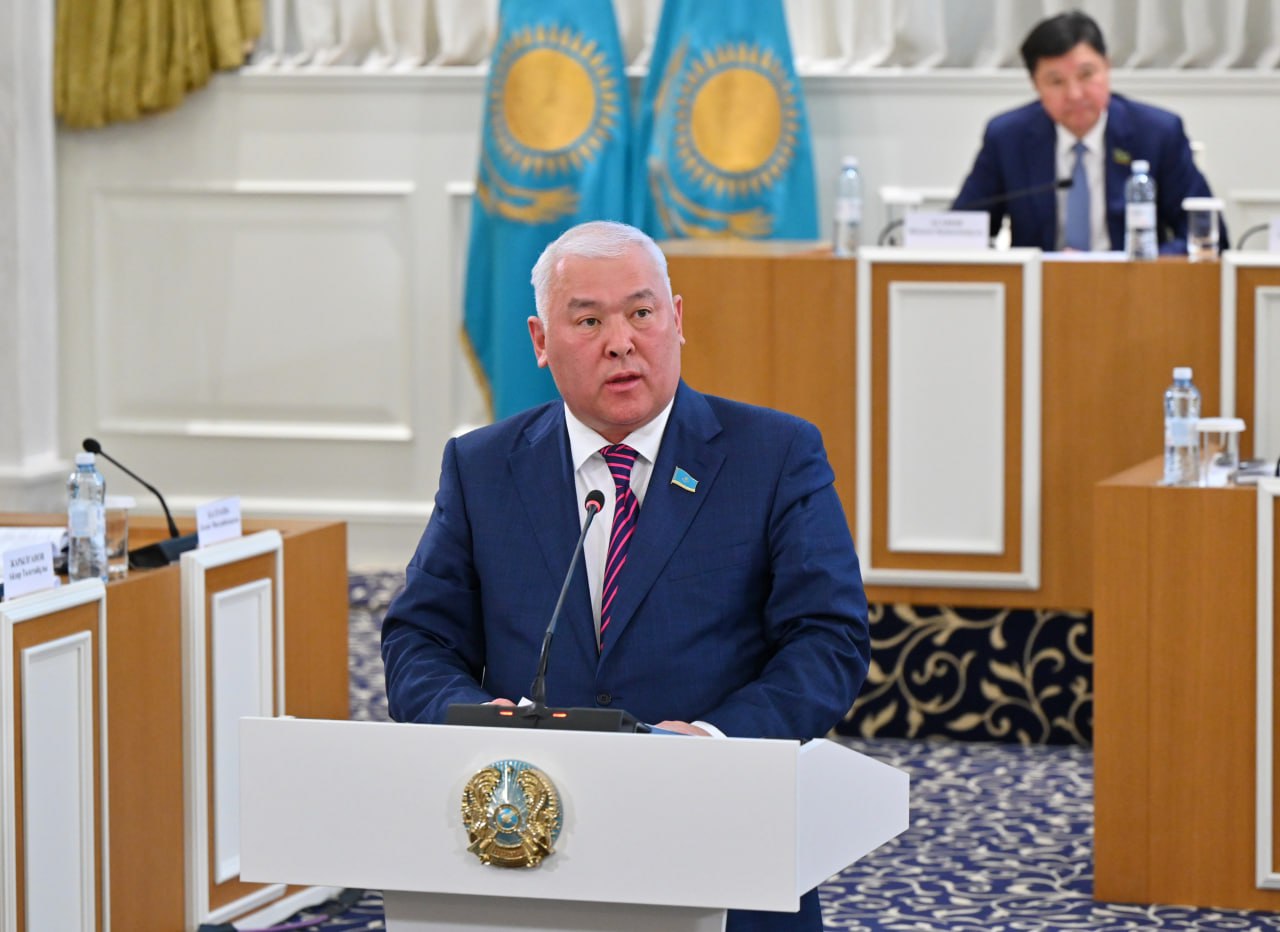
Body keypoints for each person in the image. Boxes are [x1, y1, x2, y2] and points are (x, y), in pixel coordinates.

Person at [381, 219, 870, 932]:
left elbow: (829, 639)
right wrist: (474, 725)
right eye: (588, 320)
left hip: (722, 836)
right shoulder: (482, 467)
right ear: (540, 341)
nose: (621, 341)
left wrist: (717, 741)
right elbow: (419, 639)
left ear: (678, 319)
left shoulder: (774, 455)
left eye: (642, 313)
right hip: (525, 848)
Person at [952, 10, 1223, 253]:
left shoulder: (1157, 133)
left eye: (1086, 75)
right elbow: (961, 233)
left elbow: (1208, 237)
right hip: (1040, 287)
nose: (1075, 94)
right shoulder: (1007, 138)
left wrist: (1132, 265)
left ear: (1107, 67)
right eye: (1056, 81)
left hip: (1132, 284)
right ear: (1035, 84)